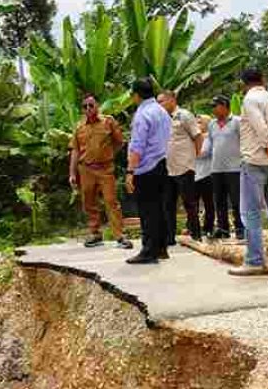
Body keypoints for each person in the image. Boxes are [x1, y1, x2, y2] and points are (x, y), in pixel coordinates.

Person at [228, 68, 268, 276]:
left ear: (243, 83)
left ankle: (254, 260)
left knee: (251, 212)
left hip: (255, 161)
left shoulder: (250, 99)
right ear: (263, 80)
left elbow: (261, 129)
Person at [69, 94, 133, 249]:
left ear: (97, 105)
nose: (88, 109)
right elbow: (75, 151)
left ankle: (120, 236)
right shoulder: (79, 127)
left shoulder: (108, 121)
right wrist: (72, 173)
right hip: (86, 169)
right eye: (85, 106)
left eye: (91, 105)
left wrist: (108, 155)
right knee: (89, 202)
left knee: (111, 201)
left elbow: (119, 142)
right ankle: (95, 234)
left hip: (105, 169)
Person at [125, 77, 172, 264]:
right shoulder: (162, 111)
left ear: (136, 95)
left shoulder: (142, 114)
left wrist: (130, 171)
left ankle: (149, 251)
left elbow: (137, 146)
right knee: (159, 208)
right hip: (161, 163)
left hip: (146, 168)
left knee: (147, 210)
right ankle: (161, 248)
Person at [157, 90, 203, 243]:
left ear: (172, 100)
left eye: (162, 101)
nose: (159, 105)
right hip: (168, 167)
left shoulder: (184, 115)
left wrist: (196, 157)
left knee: (189, 202)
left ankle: (196, 234)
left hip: (184, 166)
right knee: (168, 204)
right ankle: (169, 237)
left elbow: (198, 137)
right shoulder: (160, 119)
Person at [207, 95, 244, 240]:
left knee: (236, 200)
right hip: (216, 168)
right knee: (219, 201)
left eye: (215, 106)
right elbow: (211, 145)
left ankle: (240, 228)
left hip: (235, 168)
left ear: (224, 106)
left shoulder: (237, 122)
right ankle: (223, 229)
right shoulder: (212, 124)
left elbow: (245, 142)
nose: (213, 110)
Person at [194, 115, 215, 238]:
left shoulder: (210, 138)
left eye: (200, 122)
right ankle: (194, 228)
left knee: (209, 203)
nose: (197, 124)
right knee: (193, 203)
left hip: (207, 174)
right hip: (194, 174)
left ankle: (209, 227)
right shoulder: (193, 137)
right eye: (196, 122)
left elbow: (203, 153)